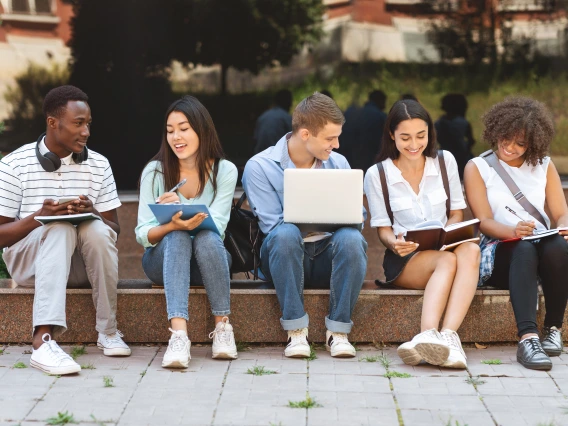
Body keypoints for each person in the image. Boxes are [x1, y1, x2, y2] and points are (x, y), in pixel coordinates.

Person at [0, 85, 130, 376]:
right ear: (52, 122)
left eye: (88, 124)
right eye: (78, 123)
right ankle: (43, 341)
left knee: (95, 229)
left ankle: (108, 331)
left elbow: (114, 230)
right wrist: (40, 217)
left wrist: (92, 212)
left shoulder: (98, 164)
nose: (85, 132)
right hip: (29, 265)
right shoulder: (13, 165)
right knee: (58, 228)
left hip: (81, 266)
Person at [242, 92, 367, 359]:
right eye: (330, 138)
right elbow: (271, 227)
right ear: (306, 134)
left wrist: (350, 216)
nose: (337, 145)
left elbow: (359, 218)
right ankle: (296, 332)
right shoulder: (260, 167)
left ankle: (338, 332)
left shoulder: (339, 163)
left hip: (326, 257)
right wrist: (323, 218)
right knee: (285, 233)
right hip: (284, 259)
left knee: (352, 239)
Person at [364, 99, 480, 368]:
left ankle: (449, 337)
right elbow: (383, 230)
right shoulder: (377, 174)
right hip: (406, 260)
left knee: (471, 250)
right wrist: (394, 244)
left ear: (430, 132)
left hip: (443, 248)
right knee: (448, 261)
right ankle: (427, 334)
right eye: (405, 137)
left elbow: (456, 212)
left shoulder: (444, 161)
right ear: (391, 135)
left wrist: (450, 230)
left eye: (421, 136)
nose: (414, 144)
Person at [464, 97, 568, 371]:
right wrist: (512, 230)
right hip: (501, 250)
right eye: (505, 139)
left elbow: (560, 212)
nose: (509, 148)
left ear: (532, 144)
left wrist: (565, 226)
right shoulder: (478, 167)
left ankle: (554, 328)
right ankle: (528, 339)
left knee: (558, 245)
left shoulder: (543, 165)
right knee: (522, 247)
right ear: (495, 130)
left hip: (541, 246)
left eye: (520, 144)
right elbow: (484, 221)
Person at [136, 95, 238, 368]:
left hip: (209, 260)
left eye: (184, 128)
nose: (176, 137)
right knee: (178, 235)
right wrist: (170, 224)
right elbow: (142, 233)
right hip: (163, 262)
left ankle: (223, 329)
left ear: (201, 130)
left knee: (206, 236)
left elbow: (217, 224)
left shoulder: (224, 171)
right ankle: (179, 336)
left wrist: (180, 208)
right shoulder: (155, 172)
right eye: (170, 131)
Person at [435, 94, 475, 179]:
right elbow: (471, 141)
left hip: (443, 157)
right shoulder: (463, 122)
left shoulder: (438, 123)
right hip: (462, 158)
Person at [253, 89, 293, 154]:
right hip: (276, 156)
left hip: (260, 155)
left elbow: (256, 139)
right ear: (288, 102)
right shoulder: (286, 118)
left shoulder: (263, 116)